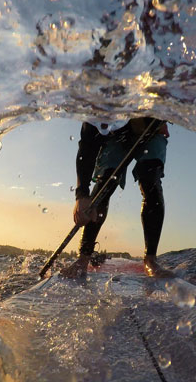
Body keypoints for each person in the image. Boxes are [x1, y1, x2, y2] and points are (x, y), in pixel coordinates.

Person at [60, 117, 175, 279]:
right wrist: (81, 195)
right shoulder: (94, 114)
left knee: (150, 179)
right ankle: (83, 258)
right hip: (116, 137)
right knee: (105, 183)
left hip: (150, 129)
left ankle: (151, 260)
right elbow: (87, 149)